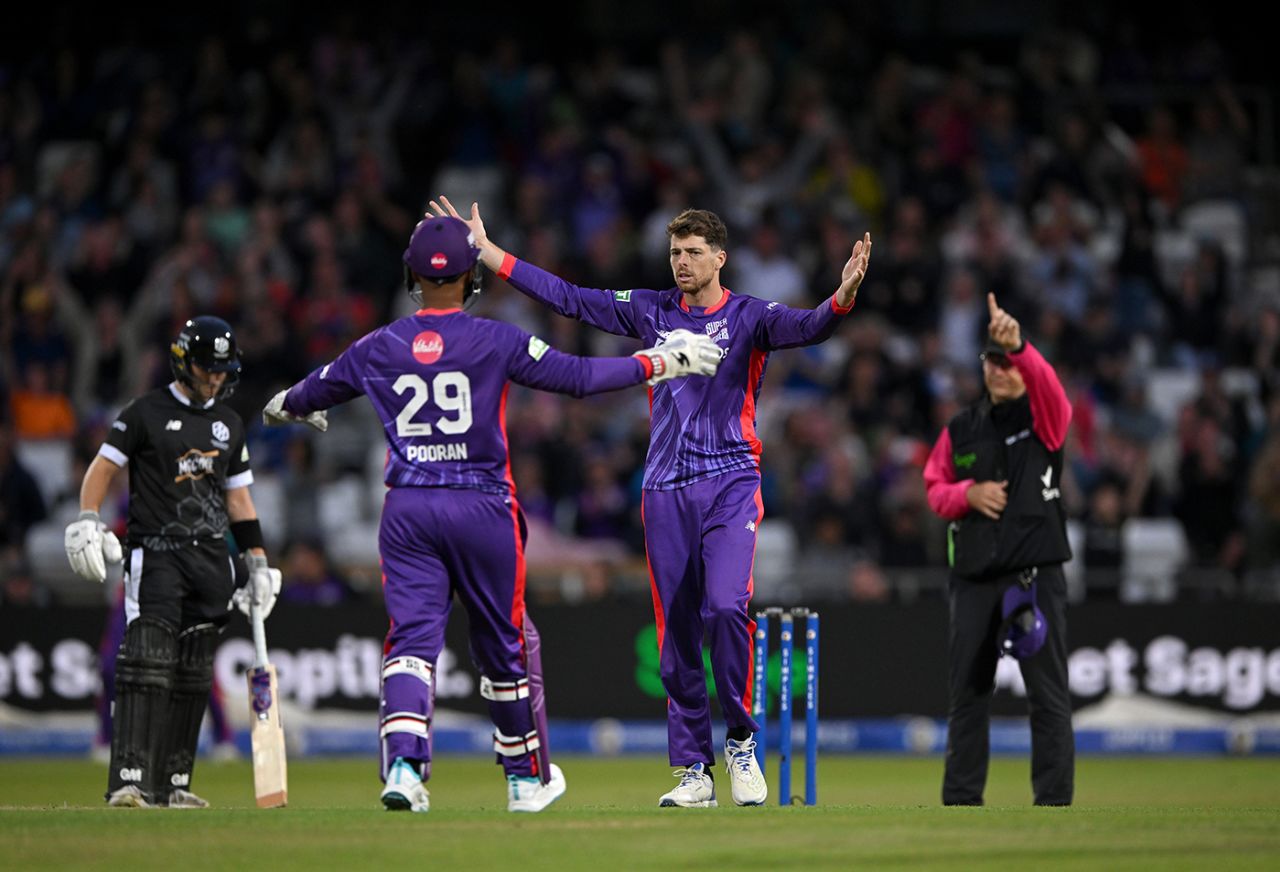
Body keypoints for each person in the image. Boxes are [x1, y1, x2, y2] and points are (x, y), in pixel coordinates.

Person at [261, 216, 721, 814]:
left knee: (410, 643)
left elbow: (305, 393)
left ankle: (403, 769)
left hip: (408, 510)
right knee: (504, 643)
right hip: (482, 507)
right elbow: (578, 378)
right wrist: (660, 362)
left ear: (412, 276)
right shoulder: (496, 339)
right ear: (470, 278)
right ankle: (524, 780)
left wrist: (289, 405)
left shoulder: (379, 345)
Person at [431, 196, 872, 808]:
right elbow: (570, 298)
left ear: (720, 258)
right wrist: (490, 254)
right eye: (675, 253)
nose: (682, 262)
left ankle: (741, 742)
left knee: (726, 607)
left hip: (731, 483)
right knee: (677, 637)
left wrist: (843, 295)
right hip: (665, 491)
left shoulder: (750, 316)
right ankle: (694, 771)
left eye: (693, 252)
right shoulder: (652, 309)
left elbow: (810, 326)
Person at [65, 315, 282, 808]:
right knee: (146, 662)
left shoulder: (229, 424)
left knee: (194, 671)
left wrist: (257, 563)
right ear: (183, 362)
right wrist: (87, 517)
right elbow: (102, 468)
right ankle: (129, 779)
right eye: (208, 368)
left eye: (223, 370)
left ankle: (172, 783)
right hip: (156, 554)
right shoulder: (143, 412)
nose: (217, 378)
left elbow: (239, 502)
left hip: (210, 558)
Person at [922, 293, 1074, 807]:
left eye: (1008, 363)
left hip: (1034, 574)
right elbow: (934, 489)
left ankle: (1053, 803)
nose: (1000, 370)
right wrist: (968, 494)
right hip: (974, 577)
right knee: (967, 694)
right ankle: (961, 802)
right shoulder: (961, 427)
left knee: (1047, 695)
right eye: (993, 361)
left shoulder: (1044, 417)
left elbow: (1056, 395)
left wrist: (1022, 347)